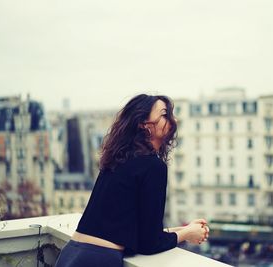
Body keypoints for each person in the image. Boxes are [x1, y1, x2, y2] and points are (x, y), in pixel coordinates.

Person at [55, 94, 209, 267]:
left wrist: (185, 229)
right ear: (144, 125)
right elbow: (149, 244)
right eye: (165, 114)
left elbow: (140, 234)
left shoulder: (117, 159)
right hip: (99, 260)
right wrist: (187, 234)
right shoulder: (153, 166)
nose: (173, 120)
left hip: (71, 253)